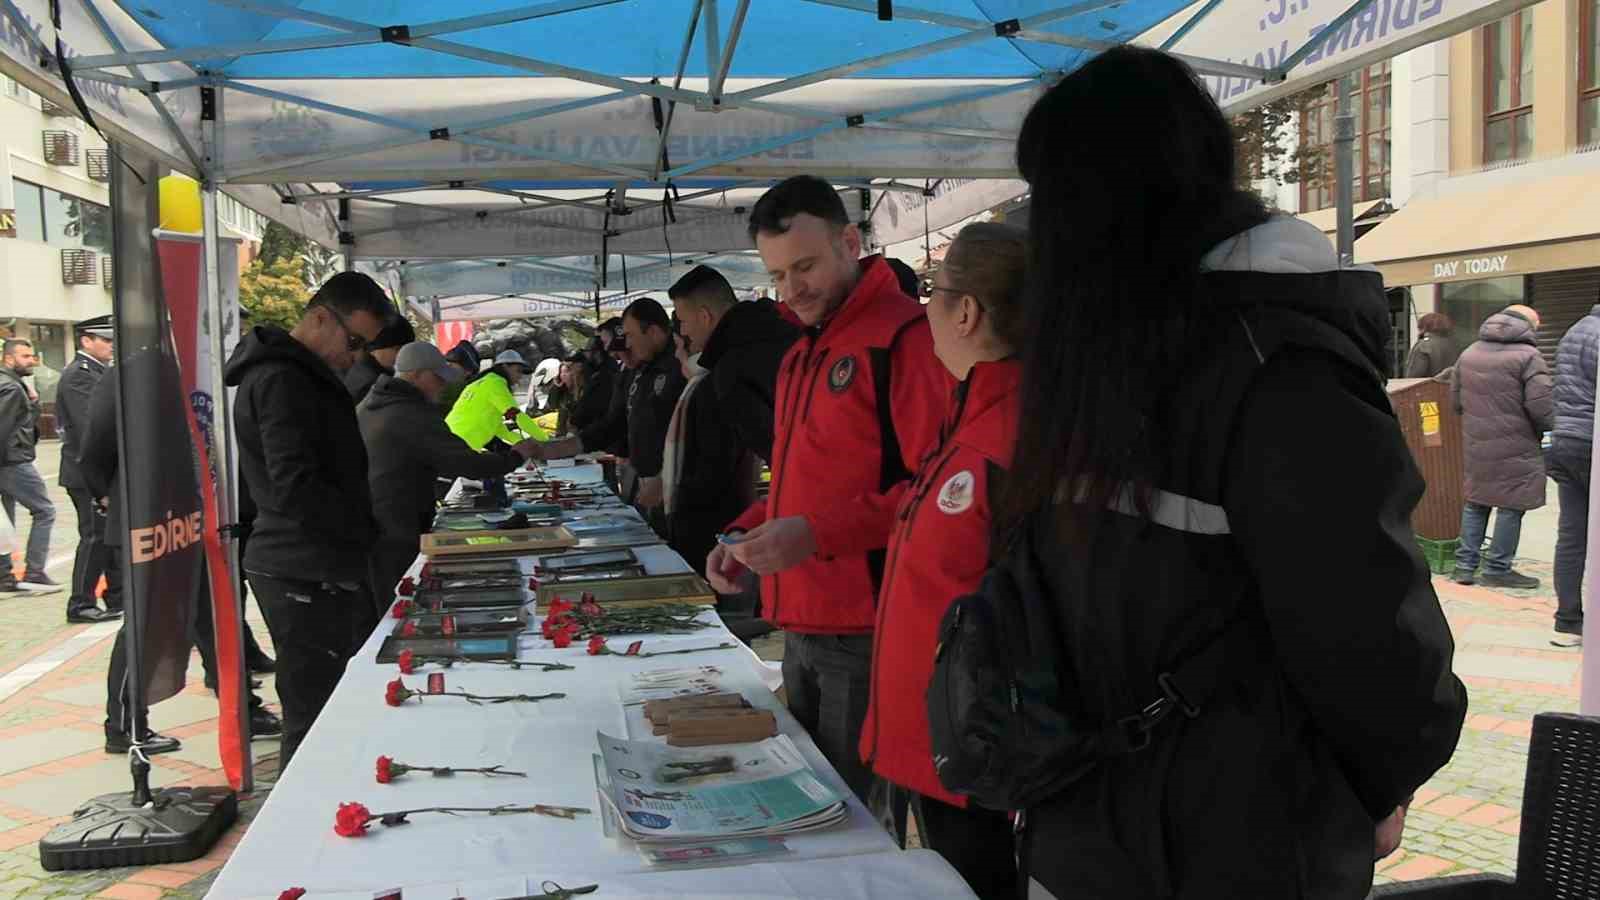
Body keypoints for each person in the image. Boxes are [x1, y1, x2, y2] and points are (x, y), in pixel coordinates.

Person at [996, 47, 1465, 898]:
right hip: (1100, 827)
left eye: (1050, 197)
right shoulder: (1108, 364)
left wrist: (1378, 778)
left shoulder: (1270, 360)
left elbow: (1363, 626)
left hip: (1229, 838)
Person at [706, 175, 949, 803]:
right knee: (806, 803)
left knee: (847, 815)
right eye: (779, 275)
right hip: (802, 620)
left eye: (805, 266)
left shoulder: (906, 339)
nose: (794, 289)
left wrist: (813, 535)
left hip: (869, 625)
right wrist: (745, 532)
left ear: (849, 241)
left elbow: (937, 493)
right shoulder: (801, 351)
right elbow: (798, 483)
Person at [859, 223, 1024, 898]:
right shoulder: (973, 415)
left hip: (977, 760)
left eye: (931, 291)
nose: (921, 308)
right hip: (938, 750)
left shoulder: (1015, 434)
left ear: (966, 311)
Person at [222, 271, 389, 771]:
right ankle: (301, 832)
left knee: (329, 702)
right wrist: (357, 532)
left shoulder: (300, 374)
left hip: (315, 560)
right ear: (320, 317)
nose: (355, 356)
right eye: (354, 341)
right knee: (313, 713)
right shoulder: (280, 378)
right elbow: (296, 486)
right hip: (300, 565)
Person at [359, 343, 542, 602]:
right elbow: (466, 463)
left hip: (376, 524)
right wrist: (516, 455)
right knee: (400, 604)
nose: (443, 385)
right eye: (438, 378)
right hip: (395, 528)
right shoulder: (409, 413)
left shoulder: (373, 403)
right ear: (417, 374)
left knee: (391, 601)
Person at [76, 364, 180, 755]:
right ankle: (124, 724)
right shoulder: (130, 371)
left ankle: (242, 705)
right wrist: (107, 496)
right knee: (141, 624)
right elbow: (94, 450)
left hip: (179, 514)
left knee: (182, 617)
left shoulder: (190, 366)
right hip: (141, 513)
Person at [1451, 304, 1552, 590]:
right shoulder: (1529, 356)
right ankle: (1497, 568)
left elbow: (1455, 400)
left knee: (1477, 502)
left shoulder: (1469, 352)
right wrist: (1548, 428)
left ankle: (1465, 566)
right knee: (1512, 504)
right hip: (1517, 443)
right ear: (1527, 325)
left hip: (1477, 441)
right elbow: (1541, 406)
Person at [672, 264, 800, 463]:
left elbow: (780, 456)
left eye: (683, 321)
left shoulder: (730, 371)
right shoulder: (785, 331)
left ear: (705, 317)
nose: (683, 331)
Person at [661, 329, 753, 578]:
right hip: (706, 515)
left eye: (679, 346)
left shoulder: (707, 388)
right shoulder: (699, 386)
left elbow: (714, 465)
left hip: (709, 520)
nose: (677, 354)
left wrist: (684, 504)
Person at [56, 316, 121, 622]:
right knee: (94, 537)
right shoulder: (79, 375)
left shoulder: (97, 372)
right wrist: (102, 482)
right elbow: (90, 431)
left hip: (96, 470)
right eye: (105, 340)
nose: (111, 346)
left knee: (108, 537)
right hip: (86, 472)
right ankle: (80, 603)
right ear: (86, 340)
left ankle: (117, 595)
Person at [1549, 296, 1600, 647]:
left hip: (1563, 439)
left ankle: (1568, 620)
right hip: (1591, 439)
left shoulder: (1576, 330)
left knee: (1572, 534)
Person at [0, 338, 59, 594]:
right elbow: (4, 428)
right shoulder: (10, 387)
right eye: (25, 356)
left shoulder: (12, 384)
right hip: (13, 461)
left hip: (8, 459)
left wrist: (33, 401)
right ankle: (35, 571)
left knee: (6, 518)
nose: (31, 361)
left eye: (32, 356)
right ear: (9, 359)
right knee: (44, 510)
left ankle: (4, 577)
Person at [445, 350, 552, 451]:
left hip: (452, 439)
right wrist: (546, 441)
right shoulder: (495, 384)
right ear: (505, 366)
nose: (520, 376)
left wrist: (520, 442)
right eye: (518, 371)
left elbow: (497, 426)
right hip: (461, 443)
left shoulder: (483, 383)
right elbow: (517, 415)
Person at [344, 315, 415, 406]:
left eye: (407, 350)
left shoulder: (361, 369)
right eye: (397, 349)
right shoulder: (374, 384)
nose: (403, 355)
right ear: (374, 349)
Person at [1406, 312, 1461, 378]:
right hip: (1451, 386)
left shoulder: (1422, 346)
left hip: (1427, 387)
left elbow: (1413, 376)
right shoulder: (1454, 345)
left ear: (1423, 328)